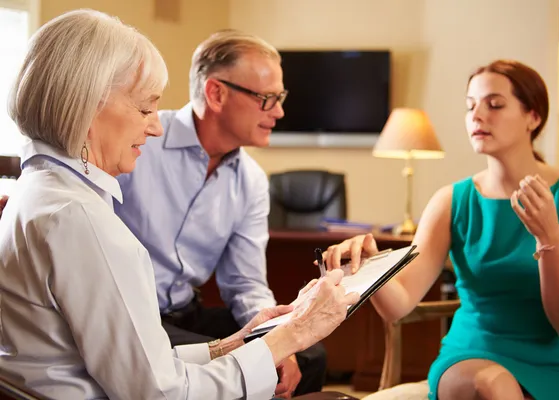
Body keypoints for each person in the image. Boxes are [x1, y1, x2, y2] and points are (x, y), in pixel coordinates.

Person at [0, 9, 358, 399]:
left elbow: (140, 367)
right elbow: (162, 393)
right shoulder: (79, 217)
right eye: (144, 108)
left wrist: (235, 343)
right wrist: (293, 333)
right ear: (89, 104)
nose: (155, 126)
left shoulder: (40, 191)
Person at [323, 60, 559, 400]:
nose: (477, 116)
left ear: (534, 117)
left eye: (494, 105)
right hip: (473, 358)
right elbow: (400, 304)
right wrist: (368, 267)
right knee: (494, 383)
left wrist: (549, 239)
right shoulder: (452, 201)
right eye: (470, 106)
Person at [112, 29, 324, 397]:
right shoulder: (139, 141)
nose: (279, 111)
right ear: (216, 93)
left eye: (280, 97)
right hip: (127, 317)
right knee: (247, 362)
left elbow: (245, 284)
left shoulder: (252, 182)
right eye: (267, 98)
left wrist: (279, 340)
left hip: (183, 312)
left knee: (308, 354)